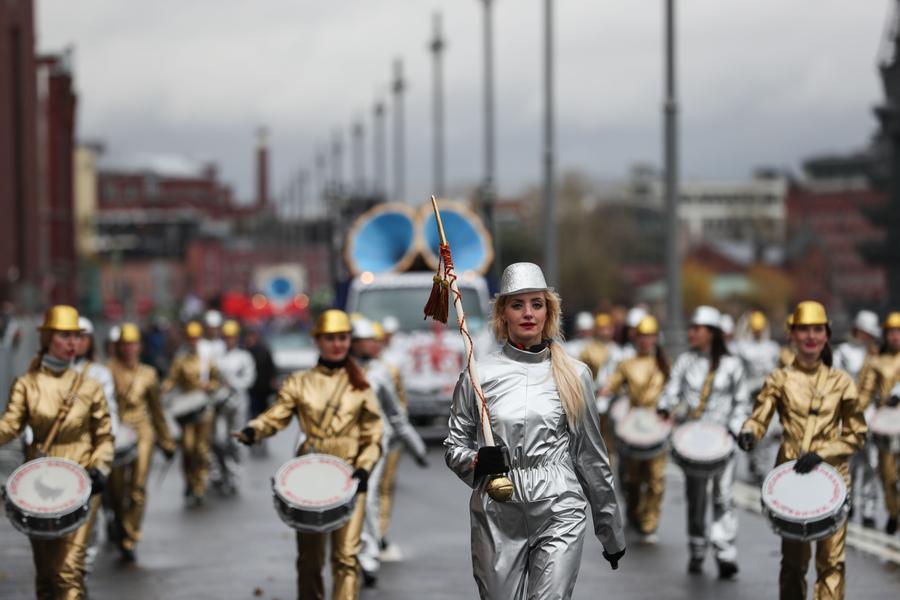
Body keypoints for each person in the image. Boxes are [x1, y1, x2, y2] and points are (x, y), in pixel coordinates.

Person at [444, 262, 625, 600]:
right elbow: (454, 445)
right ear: (503, 314)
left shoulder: (575, 374)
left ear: (548, 312)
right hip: (497, 509)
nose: (528, 313)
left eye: (536, 304)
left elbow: (591, 458)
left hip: (559, 507)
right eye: (517, 305)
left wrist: (610, 532)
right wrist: (477, 461)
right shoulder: (477, 375)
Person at [233, 309, 383, 600]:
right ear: (317, 341)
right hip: (311, 475)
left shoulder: (361, 384)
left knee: (346, 557)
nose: (337, 344)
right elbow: (277, 414)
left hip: (351, 476)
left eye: (342, 338)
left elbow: (373, 434)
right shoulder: (299, 381)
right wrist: (254, 430)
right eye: (330, 338)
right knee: (310, 561)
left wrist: (364, 468)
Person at [737, 301, 866, 599]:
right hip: (791, 479)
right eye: (804, 329)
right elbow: (759, 417)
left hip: (833, 480)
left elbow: (857, 434)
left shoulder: (842, 382)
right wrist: (749, 434)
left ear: (827, 335)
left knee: (832, 563)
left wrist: (823, 454)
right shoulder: (779, 379)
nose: (811, 336)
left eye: (817, 330)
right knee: (793, 564)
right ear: (792, 334)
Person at [0, 305, 113, 599]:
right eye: (64, 335)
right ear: (48, 338)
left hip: (81, 483)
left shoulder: (90, 386)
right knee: (47, 576)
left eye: (76, 335)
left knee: (67, 572)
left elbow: (104, 435)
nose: (73, 342)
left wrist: (100, 467)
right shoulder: (27, 384)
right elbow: (9, 425)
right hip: (38, 486)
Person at [657, 305, 748, 579]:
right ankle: (697, 548)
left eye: (697, 329)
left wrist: (734, 430)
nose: (691, 333)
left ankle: (725, 553)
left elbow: (741, 402)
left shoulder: (732, 364)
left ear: (712, 332)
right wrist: (665, 406)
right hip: (693, 441)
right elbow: (671, 390)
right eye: (691, 328)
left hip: (723, 441)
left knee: (724, 497)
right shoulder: (685, 361)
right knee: (695, 498)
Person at [350, 317, 427, 586]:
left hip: (375, 445)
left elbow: (396, 415)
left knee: (368, 495)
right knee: (347, 500)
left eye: (374, 340)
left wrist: (416, 448)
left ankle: (368, 557)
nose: (374, 345)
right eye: (367, 340)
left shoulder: (381, 373)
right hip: (344, 445)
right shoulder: (338, 372)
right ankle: (350, 551)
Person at [107, 322, 177, 561]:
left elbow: (157, 411)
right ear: (118, 346)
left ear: (140, 346)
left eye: (133, 344)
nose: (129, 348)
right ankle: (119, 523)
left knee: (137, 486)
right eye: (125, 344)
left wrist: (166, 441)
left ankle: (130, 537)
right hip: (117, 432)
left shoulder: (149, 373)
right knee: (116, 490)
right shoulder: (108, 371)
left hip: (143, 431)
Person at [602, 315, 669, 543]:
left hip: (656, 427)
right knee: (632, 479)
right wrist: (603, 391)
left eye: (650, 336)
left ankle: (649, 523)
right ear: (636, 337)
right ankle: (634, 512)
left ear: (656, 338)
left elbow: (673, 392)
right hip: (632, 428)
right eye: (642, 336)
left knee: (656, 478)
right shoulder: (626, 364)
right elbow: (611, 384)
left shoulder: (664, 364)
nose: (646, 340)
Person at [73, 316, 119, 573]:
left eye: (82, 337)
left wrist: (105, 454)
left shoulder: (100, 374)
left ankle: (82, 570)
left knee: (87, 517)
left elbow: (109, 415)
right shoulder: (45, 372)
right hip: (58, 457)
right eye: (69, 336)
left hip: (90, 455)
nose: (75, 342)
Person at [161, 321, 220, 506]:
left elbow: (217, 381)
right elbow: (172, 379)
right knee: (187, 448)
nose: (193, 341)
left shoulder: (207, 360)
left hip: (203, 409)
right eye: (190, 338)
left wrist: (209, 385)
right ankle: (189, 481)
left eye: (195, 338)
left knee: (201, 449)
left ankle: (200, 485)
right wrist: (165, 387)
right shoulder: (181, 360)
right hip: (187, 411)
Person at [833, 309, 881, 528]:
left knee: (872, 464)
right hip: (848, 414)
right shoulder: (842, 352)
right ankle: (847, 503)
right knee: (848, 463)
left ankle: (869, 510)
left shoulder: (877, 356)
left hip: (871, 415)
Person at [858, 310, 900, 535]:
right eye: (891, 332)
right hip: (885, 426)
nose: (895, 336)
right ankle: (893, 512)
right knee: (887, 474)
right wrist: (855, 414)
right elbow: (866, 392)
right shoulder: (875, 361)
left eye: (898, 331)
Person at [734, 311, 782, 483]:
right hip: (750, 397)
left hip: (769, 397)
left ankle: (763, 470)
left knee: (769, 435)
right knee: (751, 432)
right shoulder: (742, 348)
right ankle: (754, 464)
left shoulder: (773, 348)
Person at [211, 319, 256, 494]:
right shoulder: (217, 357)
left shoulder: (244, 357)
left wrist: (234, 383)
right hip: (220, 404)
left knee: (235, 441)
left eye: (231, 337)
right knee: (218, 439)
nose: (228, 340)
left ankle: (234, 476)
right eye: (226, 337)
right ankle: (219, 472)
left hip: (238, 404)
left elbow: (249, 379)